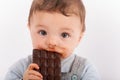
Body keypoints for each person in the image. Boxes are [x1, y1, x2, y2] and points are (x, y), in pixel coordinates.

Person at [4, 0, 100, 80]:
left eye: (64, 35)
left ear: (79, 38)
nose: (52, 42)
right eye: (43, 32)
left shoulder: (85, 70)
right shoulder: (20, 69)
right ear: (30, 29)